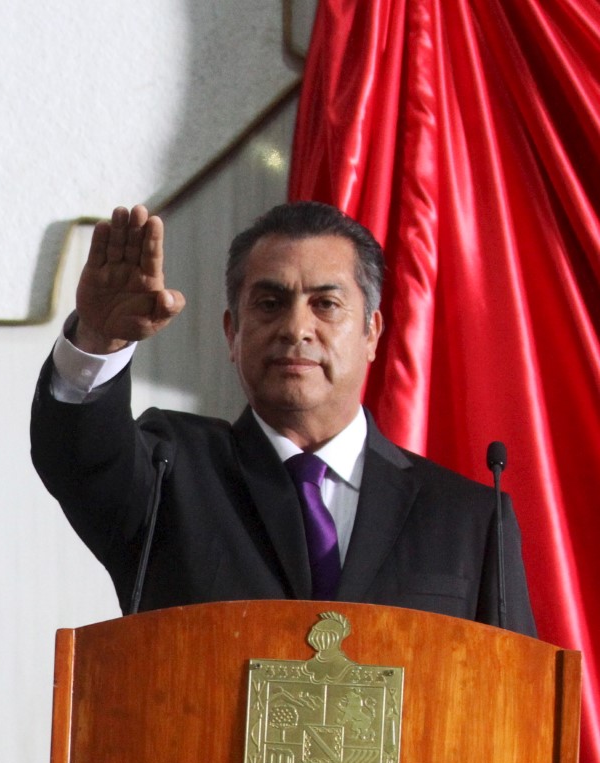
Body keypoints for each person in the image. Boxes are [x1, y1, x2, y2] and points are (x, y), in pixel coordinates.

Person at [30, 201, 536, 636]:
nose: (297, 328)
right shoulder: (169, 472)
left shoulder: (468, 518)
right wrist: (99, 340)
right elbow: (81, 456)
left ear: (372, 333)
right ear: (232, 333)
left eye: (326, 304)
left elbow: (513, 708)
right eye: (270, 303)